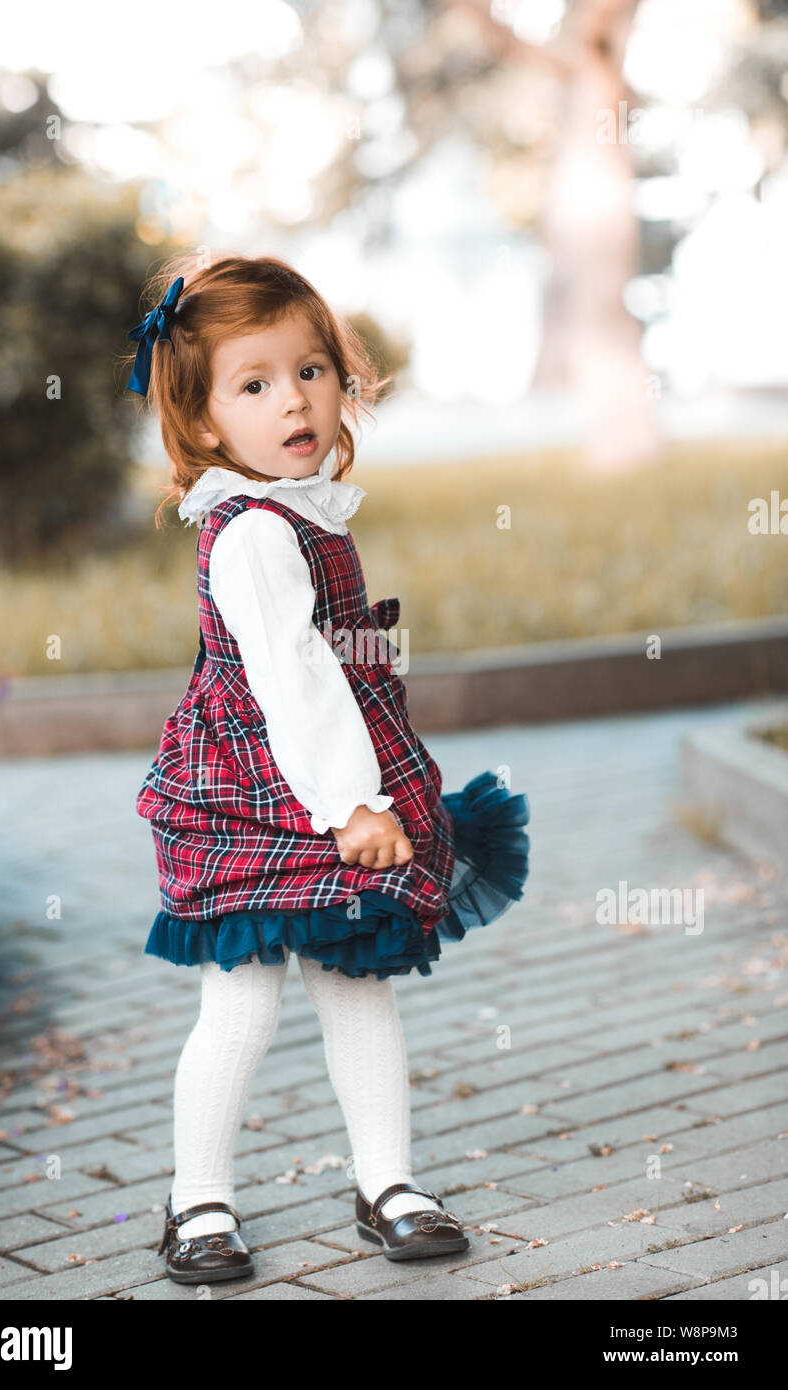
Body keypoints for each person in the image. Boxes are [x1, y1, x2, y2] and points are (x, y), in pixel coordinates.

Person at [123, 252, 530, 1284]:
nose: (293, 399)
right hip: (253, 802)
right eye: (253, 384)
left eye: (309, 370)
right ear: (207, 421)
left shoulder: (304, 511)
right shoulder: (253, 533)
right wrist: (354, 802)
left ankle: (388, 1179)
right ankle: (197, 1198)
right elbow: (297, 679)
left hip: (317, 784)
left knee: (357, 985)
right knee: (244, 999)